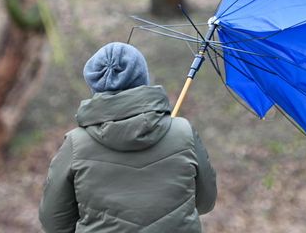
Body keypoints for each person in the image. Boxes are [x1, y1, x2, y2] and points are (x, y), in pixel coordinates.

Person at [39, 42, 217, 233]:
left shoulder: (76, 144)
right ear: (143, 78)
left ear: (94, 83)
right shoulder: (183, 132)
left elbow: (54, 222)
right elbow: (205, 202)